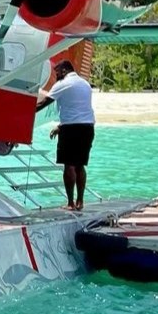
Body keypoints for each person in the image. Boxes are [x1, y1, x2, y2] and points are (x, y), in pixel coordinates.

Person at [36, 58, 95, 210]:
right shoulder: (85, 84)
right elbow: (77, 110)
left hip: (71, 129)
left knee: (69, 165)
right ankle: (80, 201)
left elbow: (44, 102)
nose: (56, 76)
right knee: (80, 165)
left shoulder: (63, 84)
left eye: (57, 73)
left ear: (63, 71)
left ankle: (70, 203)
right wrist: (61, 127)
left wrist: (27, 112)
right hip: (88, 127)